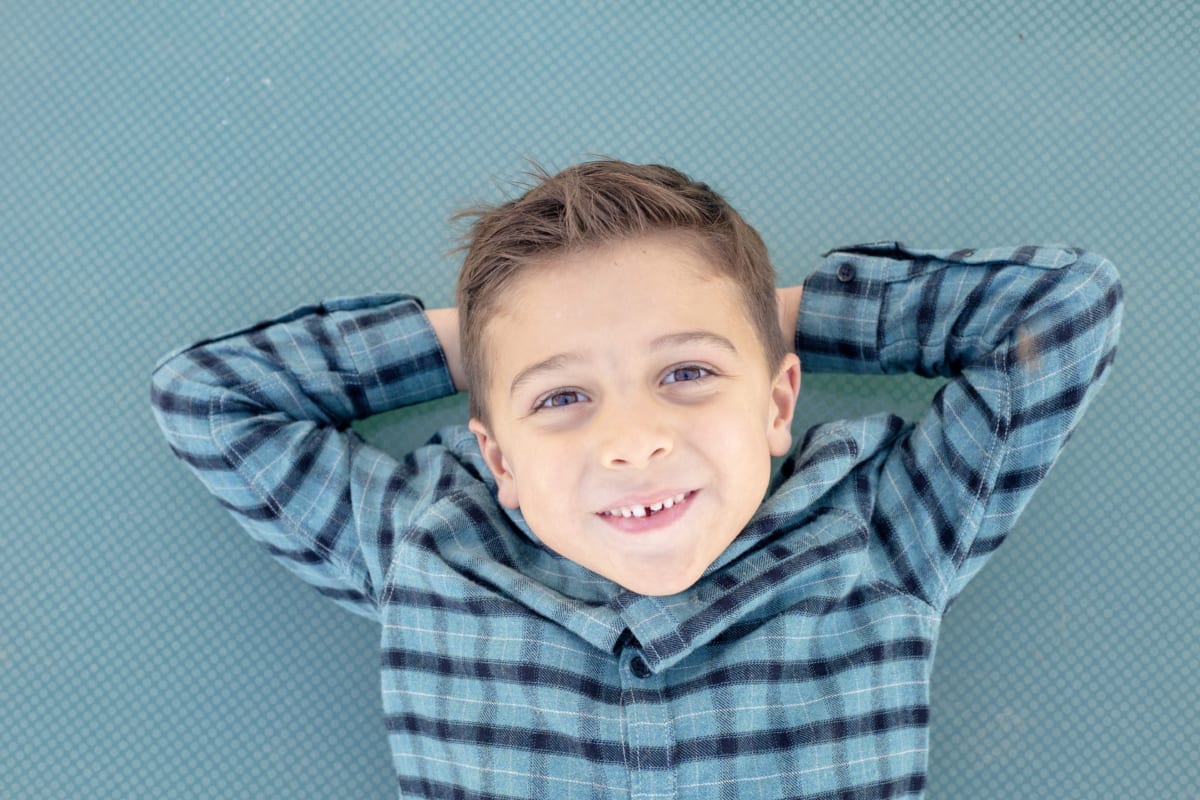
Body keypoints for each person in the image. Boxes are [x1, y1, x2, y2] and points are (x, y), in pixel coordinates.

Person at [150, 159, 1123, 799]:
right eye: (562, 396)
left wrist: (763, 310)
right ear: (500, 461)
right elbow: (207, 399)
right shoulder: (431, 540)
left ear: (779, 401)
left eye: (688, 372)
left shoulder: (879, 530)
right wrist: (483, 345)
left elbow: (1064, 309)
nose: (633, 439)